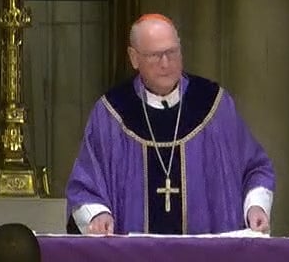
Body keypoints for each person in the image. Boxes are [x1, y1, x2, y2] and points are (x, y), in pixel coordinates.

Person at [66, 13, 276, 235]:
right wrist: (98, 214)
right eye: (155, 56)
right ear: (134, 58)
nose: (166, 63)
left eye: (172, 52)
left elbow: (255, 167)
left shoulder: (214, 105)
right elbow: (85, 185)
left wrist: (255, 206)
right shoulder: (111, 114)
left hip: (206, 261)